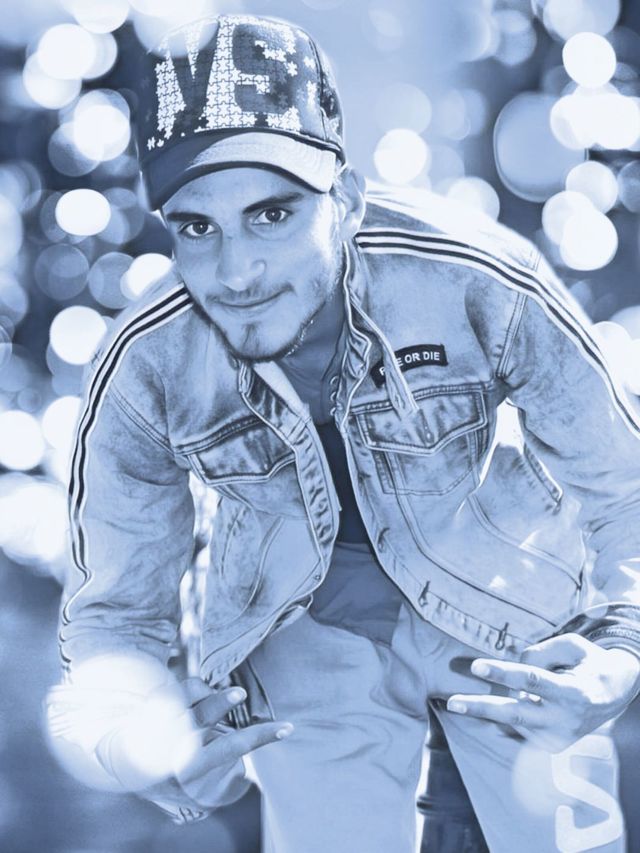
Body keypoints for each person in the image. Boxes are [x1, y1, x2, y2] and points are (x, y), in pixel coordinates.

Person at [48, 13, 640, 853]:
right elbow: (113, 614)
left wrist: (621, 653)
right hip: (299, 646)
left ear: (348, 201)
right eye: (197, 228)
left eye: (272, 214)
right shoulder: (145, 364)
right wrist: (133, 741)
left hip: (511, 606)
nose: (238, 272)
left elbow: (624, 483)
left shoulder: (476, 276)